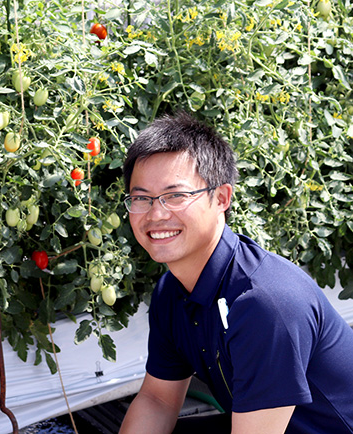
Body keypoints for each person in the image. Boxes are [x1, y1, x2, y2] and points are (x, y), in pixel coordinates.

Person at [118, 111, 353, 434]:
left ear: (222, 198)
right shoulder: (171, 291)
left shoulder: (264, 303)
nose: (156, 213)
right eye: (142, 198)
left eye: (175, 196)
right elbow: (158, 400)